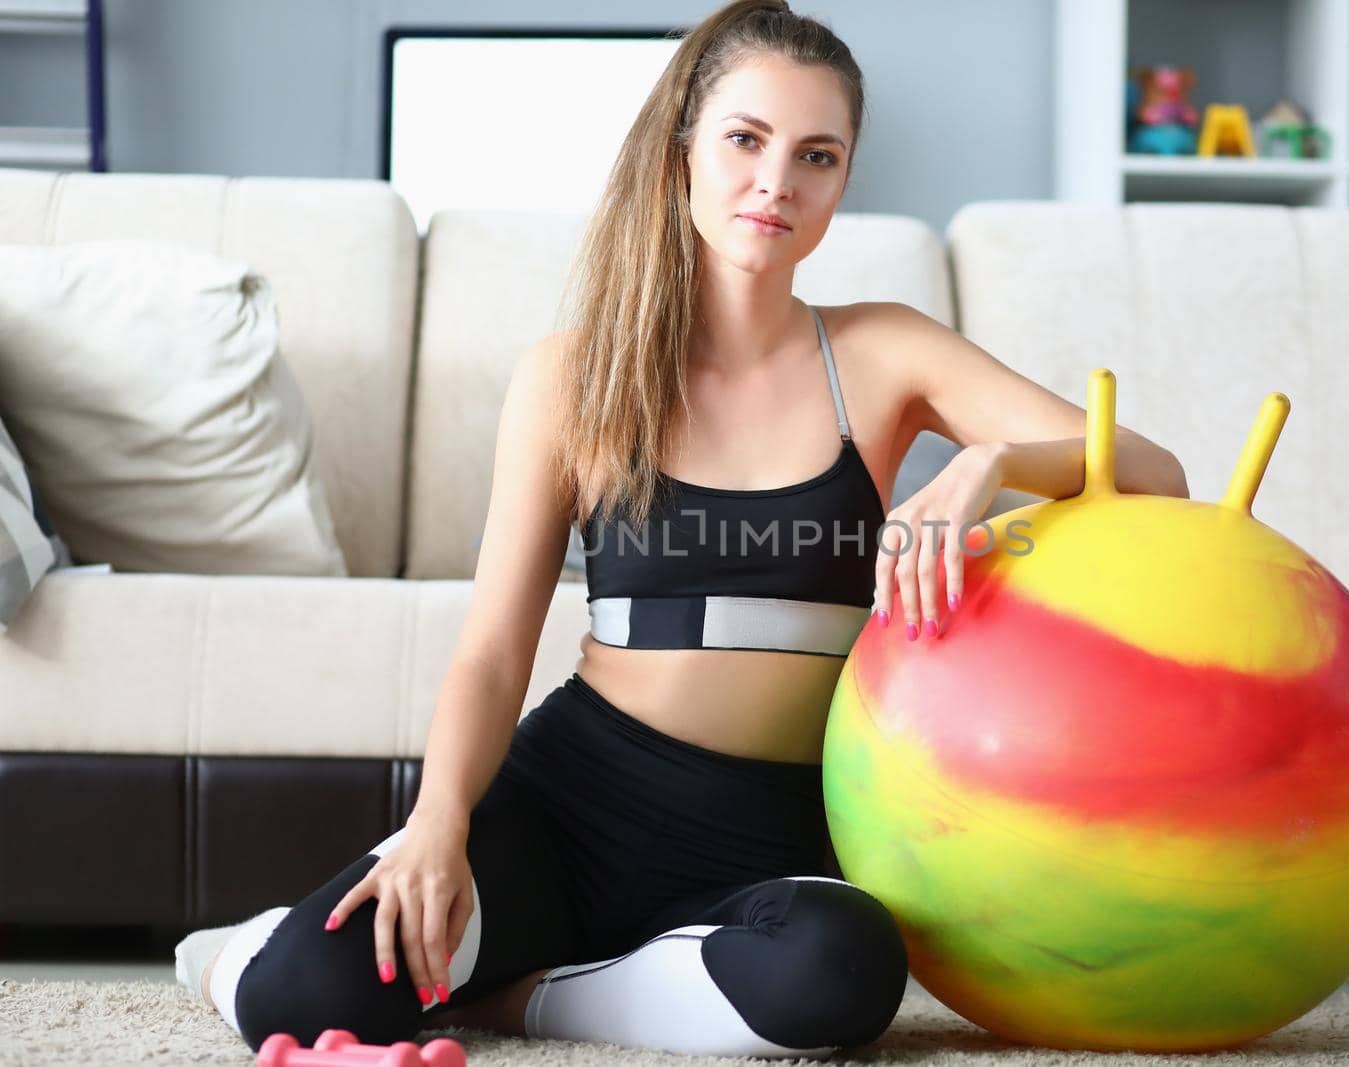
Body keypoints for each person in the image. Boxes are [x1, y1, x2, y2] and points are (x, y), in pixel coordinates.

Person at [172, 0, 1188, 1057]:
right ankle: (231, 946)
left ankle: (519, 995)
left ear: (843, 179)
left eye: (817, 155)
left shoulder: (887, 352)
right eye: (745, 139)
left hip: (783, 832)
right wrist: (438, 823)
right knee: (302, 988)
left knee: (842, 972)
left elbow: (1155, 476)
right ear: (682, 150)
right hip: (572, 803)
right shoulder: (571, 375)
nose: (775, 183)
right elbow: (490, 650)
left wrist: (993, 461)